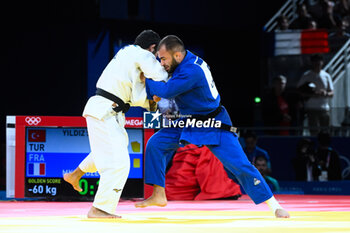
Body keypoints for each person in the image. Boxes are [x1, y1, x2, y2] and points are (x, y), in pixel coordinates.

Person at [135, 35, 290, 218]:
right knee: (155, 143)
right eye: (159, 59)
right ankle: (158, 194)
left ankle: (274, 205)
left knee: (239, 165)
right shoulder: (184, 59)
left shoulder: (191, 70)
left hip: (214, 123)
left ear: (177, 55)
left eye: (163, 59)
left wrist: (147, 77)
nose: (161, 63)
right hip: (189, 121)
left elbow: (167, 91)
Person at [63, 30, 168, 218]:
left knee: (107, 152)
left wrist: (153, 101)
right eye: (157, 56)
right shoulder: (140, 54)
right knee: (119, 163)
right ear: (152, 48)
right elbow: (161, 75)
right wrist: (178, 76)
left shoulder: (127, 56)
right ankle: (100, 209)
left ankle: (76, 175)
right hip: (105, 110)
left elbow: (136, 96)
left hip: (109, 111)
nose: (158, 61)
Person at [297, 53, 334, 136]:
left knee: (325, 132)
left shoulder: (326, 75)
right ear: (312, 63)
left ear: (322, 63)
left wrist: (325, 93)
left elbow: (332, 92)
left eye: (319, 62)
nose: (317, 64)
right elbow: (299, 90)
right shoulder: (307, 75)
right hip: (312, 108)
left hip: (324, 108)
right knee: (314, 132)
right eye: (315, 62)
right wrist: (312, 94)